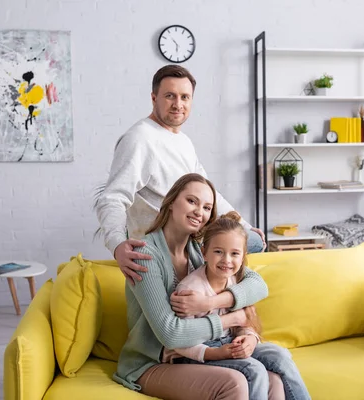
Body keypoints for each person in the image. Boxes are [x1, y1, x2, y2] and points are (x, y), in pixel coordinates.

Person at [94, 64, 266, 285]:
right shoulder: (140, 139)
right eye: (170, 96)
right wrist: (117, 245)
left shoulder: (183, 141)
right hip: (165, 244)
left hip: (191, 234)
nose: (178, 104)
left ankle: (219, 300)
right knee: (246, 246)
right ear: (154, 98)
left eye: (185, 97)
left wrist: (243, 224)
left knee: (252, 240)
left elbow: (210, 194)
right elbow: (112, 197)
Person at [113, 173, 276, 399]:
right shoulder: (144, 255)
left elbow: (257, 285)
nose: (200, 212)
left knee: (274, 380)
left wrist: (236, 323)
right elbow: (170, 334)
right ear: (170, 203)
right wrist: (231, 319)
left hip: (193, 354)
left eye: (207, 207)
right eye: (192, 201)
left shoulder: (201, 251)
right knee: (235, 382)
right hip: (152, 363)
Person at [164, 211, 311, 400]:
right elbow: (181, 343)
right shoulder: (190, 290)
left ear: (243, 257)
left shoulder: (236, 282)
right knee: (254, 369)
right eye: (218, 252)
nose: (226, 260)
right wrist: (215, 353)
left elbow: (244, 322)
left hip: (230, 344)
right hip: (199, 353)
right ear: (204, 253)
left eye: (234, 254)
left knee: (280, 355)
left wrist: (250, 338)